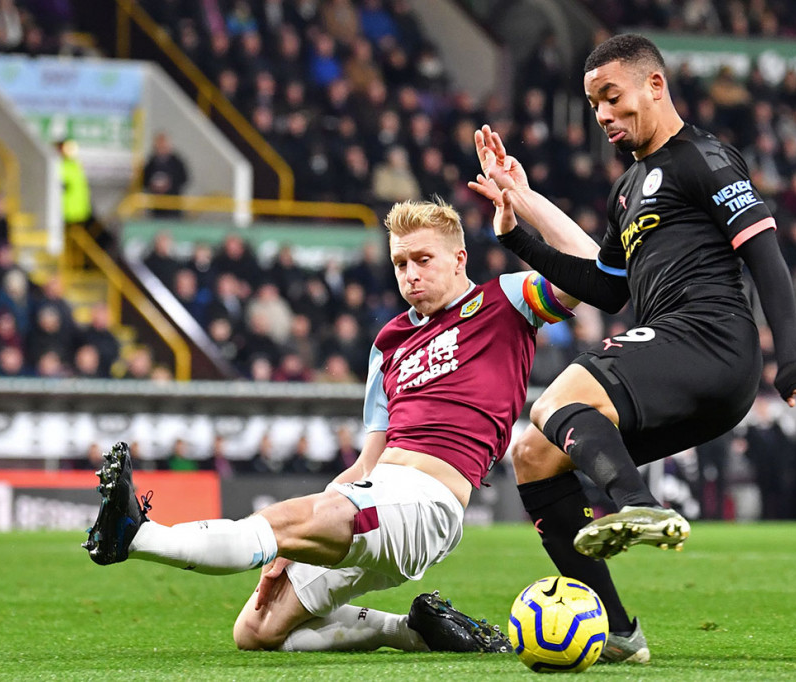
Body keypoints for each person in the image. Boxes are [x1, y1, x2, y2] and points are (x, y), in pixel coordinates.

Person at [83, 198, 592, 654]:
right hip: (377, 491)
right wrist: (297, 538)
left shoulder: (502, 303)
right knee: (256, 629)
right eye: (399, 263)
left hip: (427, 502)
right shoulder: (389, 342)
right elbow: (367, 461)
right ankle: (416, 630)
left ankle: (136, 536)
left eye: (422, 259)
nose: (410, 274)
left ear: (459, 259)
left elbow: (591, 270)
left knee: (276, 524)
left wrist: (522, 201)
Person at [468, 34, 796, 663]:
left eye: (610, 96)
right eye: (593, 104)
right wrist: (516, 232)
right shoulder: (627, 189)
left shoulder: (704, 159)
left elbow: (765, 256)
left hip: (710, 337)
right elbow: (604, 287)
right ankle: (619, 631)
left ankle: (636, 503)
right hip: (682, 359)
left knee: (556, 400)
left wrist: (789, 355)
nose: (601, 114)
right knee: (533, 454)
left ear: (654, 86)